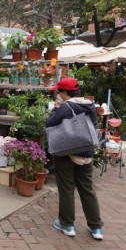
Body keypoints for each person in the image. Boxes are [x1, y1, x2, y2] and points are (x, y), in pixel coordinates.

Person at [46, 77, 103, 240]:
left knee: (67, 188)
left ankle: (66, 223)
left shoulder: (66, 106)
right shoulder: (89, 104)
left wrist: (56, 108)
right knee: (87, 189)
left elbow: (50, 123)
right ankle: (96, 227)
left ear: (64, 93)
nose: (58, 94)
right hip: (86, 151)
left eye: (59, 91)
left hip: (68, 152)